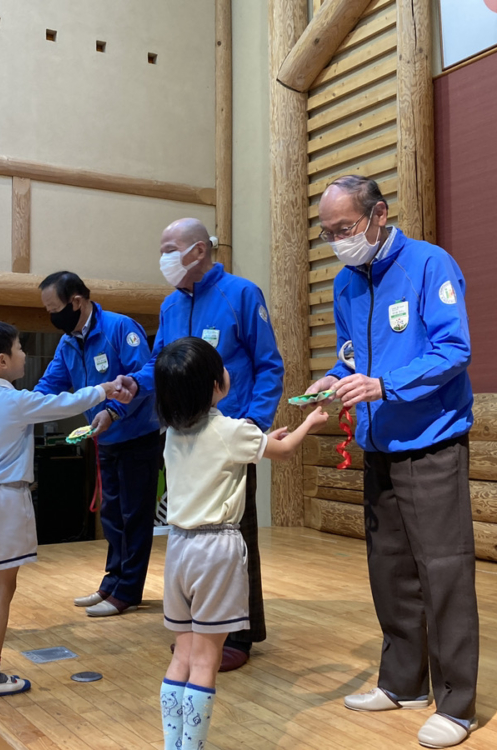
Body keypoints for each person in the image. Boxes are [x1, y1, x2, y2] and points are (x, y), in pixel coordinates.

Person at [307, 175, 478, 749]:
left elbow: (454, 350)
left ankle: (457, 705)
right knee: (390, 570)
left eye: (345, 229)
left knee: (443, 572)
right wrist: (333, 379)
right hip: (377, 446)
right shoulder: (346, 283)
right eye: (328, 233)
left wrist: (385, 386)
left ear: (379, 214)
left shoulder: (429, 265)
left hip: (432, 441)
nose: (337, 241)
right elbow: (352, 354)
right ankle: (403, 683)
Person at [123, 217, 284, 671]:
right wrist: (132, 386)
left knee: (235, 532)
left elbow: (269, 365)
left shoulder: (242, 294)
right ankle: (196, 627)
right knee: (188, 531)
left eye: (170, 247)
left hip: (229, 434)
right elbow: (158, 363)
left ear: (198, 250)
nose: (163, 258)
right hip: (183, 438)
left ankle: (239, 632)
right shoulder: (170, 305)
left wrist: (252, 423)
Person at [155, 337, 328, 750]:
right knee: (206, 660)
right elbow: (283, 452)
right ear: (215, 384)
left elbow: (255, 446)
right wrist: (310, 424)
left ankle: (173, 746)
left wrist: (264, 438)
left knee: (182, 655)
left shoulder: (171, 435)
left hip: (178, 549)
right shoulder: (233, 431)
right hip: (216, 551)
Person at [0, 320, 135, 698]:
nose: (25, 354)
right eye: (21, 348)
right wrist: (105, 388)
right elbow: (61, 403)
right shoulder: (12, 401)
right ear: (3, 360)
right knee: (2, 592)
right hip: (5, 501)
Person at [35, 271, 160, 618]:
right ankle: (113, 580)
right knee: (112, 515)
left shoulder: (121, 328)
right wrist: (22, 407)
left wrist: (113, 411)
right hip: (103, 439)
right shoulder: (67, 342)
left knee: (134, 515)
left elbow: (142, 379)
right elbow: (51, 383)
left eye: (54, 308)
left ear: (76, 301)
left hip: (137, 437)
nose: (51, 315)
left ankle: (129, 591)